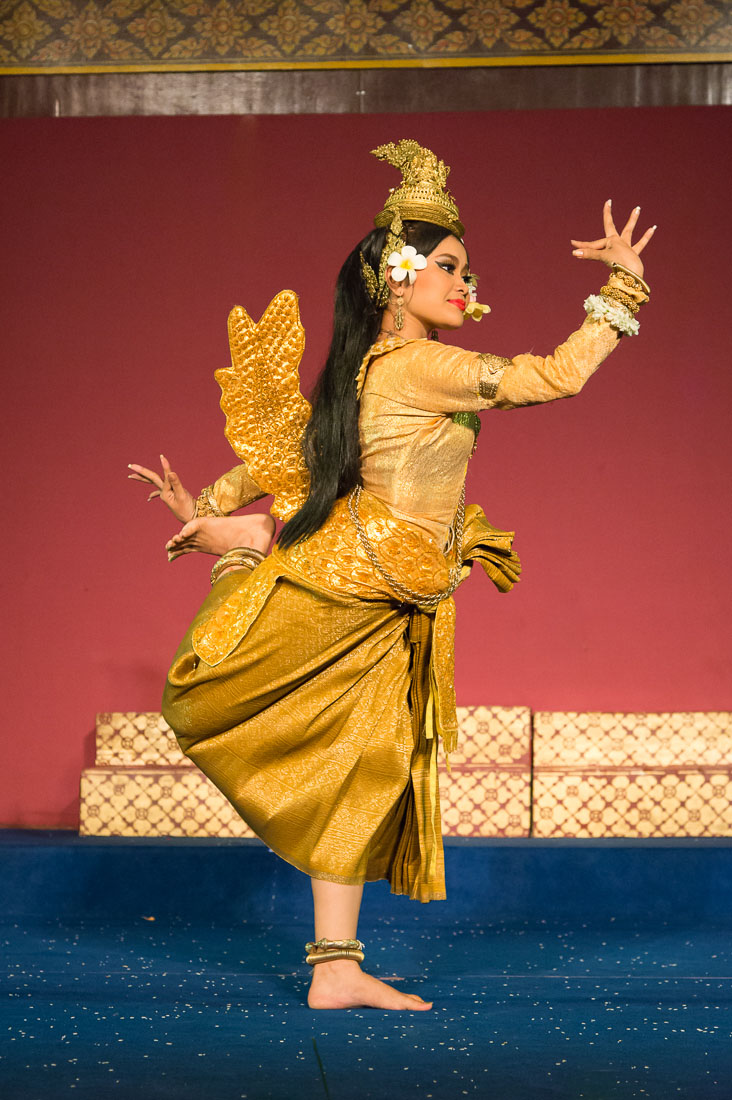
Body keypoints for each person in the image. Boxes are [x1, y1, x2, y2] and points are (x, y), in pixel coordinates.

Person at [129, 140, 654, 1012]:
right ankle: (258, 539)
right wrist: (623, 290)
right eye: (446, 265)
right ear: (396, 275)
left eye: (465, 267)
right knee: (355, 760)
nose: (462, 280)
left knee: (359, 766)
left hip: (388, 593)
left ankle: (334, 967)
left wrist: (212, 494)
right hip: (366, 575)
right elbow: (553, 376)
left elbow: (308, 450)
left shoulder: (364, 369)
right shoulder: (420, 366)